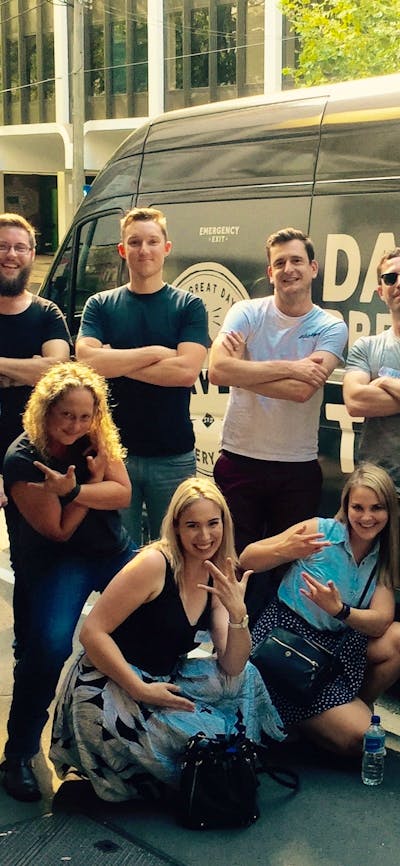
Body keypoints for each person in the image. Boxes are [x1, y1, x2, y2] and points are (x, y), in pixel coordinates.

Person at [49, 477, 284, 802]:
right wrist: (140, 689)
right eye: (192, 526)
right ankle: (144, 768)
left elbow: (233, 664)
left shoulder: (216, 569)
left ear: (224, 524)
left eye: (212, 523)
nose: (204, 536)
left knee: (247, 678)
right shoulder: (153, 564)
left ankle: (229, 760)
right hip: (110, 683)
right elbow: (92, 632)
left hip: (164, 676)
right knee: (208, 738)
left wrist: (237, 615)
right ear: (176, 527)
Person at [1, 361, 137, 803]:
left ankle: (138, 737)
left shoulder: (95, 437)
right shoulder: (23, 459)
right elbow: (58, 529)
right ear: (45, 411)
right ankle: (19, 753)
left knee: (157, 611)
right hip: (57, 561)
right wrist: (85, 491)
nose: (76, 425)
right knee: (49, 649)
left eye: (84, 416)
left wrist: (78, 490)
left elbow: (122, 493)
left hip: (110, 550)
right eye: (66, 416)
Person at [208, 226, 348, 620]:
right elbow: (218, 370)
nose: (289, 269)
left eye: (296, 261)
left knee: (290, 568)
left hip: (297, 466)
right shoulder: (247, 312)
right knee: (233, 563)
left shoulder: (330, 326)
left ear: (314, 268)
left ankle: (275, 654)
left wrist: (246, 369)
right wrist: (290, 367)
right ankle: (230, 652)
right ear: (270, 273)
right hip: (240, 458)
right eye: (280, 263)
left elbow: (304, 391)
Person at [240, 463, 400, 755]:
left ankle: (341, 712)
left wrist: (340, 610)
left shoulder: (384, 554)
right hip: (286, 643)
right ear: (346, 506)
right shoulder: (319, 530)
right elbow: (247, 558)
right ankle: (317, 719)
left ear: (389, 511)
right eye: (358, 507)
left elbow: (381, 621)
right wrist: (285, 551)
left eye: (377, 508)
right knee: (362, 741)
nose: (366, 517)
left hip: (335, 645)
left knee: (397, 638)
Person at [76, 207, 208, 545]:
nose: (143, 250)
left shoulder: (188, 306)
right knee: (120, 553)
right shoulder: (101, 305)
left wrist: (114, 358)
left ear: (166, 248)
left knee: (177, 551)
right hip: (114, 453)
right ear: (122, 250)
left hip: (173, 455)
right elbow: (87, 361)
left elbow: (185, 371)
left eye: (152, 241)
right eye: (134, 242)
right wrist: (155, 353)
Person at [0, 212, 71, 505]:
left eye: (19, 248)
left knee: (30, 548)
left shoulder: (47, 314)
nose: (11, 255)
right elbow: (42, 370)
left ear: (31, 254)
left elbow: (56, 371)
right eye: (3, 246)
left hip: (34, 454)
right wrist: (27, 369)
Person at [343, 247, 400, 494]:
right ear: (381, 291)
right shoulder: (366, 347)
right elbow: (356, 401)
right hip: (380, 490)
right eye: (391, 277)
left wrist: (384, 382)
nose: (398, 283)